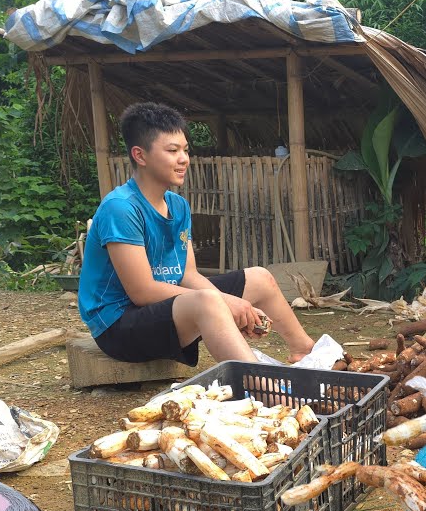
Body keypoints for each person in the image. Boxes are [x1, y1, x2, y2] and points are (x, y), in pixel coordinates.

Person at [78, 102, 315, 366]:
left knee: (260, 278)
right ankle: (262, 384)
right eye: (172, 150)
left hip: (166, 307)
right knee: (208, 301)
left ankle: (306, 351)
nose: (184, 159)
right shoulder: (121, 208)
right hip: (119, 325)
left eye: (185, 150)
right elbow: (142, 292)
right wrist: (225, 302)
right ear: (140, 156)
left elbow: (188, 275)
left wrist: (229, 302)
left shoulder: (178, 206)